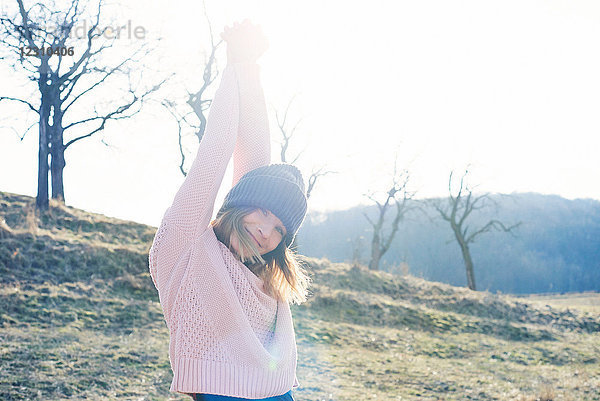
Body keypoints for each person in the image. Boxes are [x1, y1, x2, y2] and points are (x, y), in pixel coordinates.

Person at [148, 20, 311, 401]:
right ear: (240, 203)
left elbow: (256, 151)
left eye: (281, 230)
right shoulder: (186, 247)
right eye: (265, 212)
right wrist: (235, 65)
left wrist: (250, 69)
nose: (267, 232)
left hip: (280, 391)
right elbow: (215, 152)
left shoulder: (263, 270)